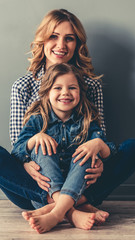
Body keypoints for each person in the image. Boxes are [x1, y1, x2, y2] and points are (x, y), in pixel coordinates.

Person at [0, 8, 135, 230]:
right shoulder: (23, 86)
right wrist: (28, 164)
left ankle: (57, 209)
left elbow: (98, 138)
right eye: (53, 36)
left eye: (69, 38)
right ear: (43, 40)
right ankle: (71, 208)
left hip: (83, 176)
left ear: (78, 44)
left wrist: (100, 152)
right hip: (39, 183)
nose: (61, 45)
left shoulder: (91, 85)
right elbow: (17, 147)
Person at [12, 63, 117, 233]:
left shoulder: (87, 121)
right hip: (45, 193)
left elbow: (110, 152)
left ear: (80, 93)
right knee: (41, 146)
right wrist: (34, 139)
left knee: (86, 153)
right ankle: (72, 211)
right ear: (47, 93)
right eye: (58, 88)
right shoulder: (37, 120)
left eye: (72, 88)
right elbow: (16, 152)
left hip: (77, 186)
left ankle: (54, 213)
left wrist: (97, 144)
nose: (65, 93)